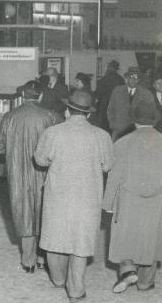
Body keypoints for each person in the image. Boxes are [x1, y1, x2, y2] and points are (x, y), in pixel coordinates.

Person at [34, 91, 113, 302]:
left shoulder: (52, 133)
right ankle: (76, 289)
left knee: (54, 237)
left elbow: (40, 160)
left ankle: (58, 279)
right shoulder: (102, 135)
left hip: (58, 195)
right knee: (81, 242)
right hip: (88, 197)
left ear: (68, 111)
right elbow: (108, 166)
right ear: (88, 115)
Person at [0, 80, 63, 273]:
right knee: (44, 211)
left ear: (23, 96)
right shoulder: (52, 117)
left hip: (18, 172)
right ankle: (42, 258)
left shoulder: (10, 117)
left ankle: (28, 260)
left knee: (23, 212)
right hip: (45, 173)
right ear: (40, 96)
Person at [102, 102, 162, 293]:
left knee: (125, 235)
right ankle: (145, 282)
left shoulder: (123, 142)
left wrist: (108, 203)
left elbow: (114, 176)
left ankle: (128, 270)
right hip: (157, 200)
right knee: (152, 238)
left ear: (134, 120)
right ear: (156, 119)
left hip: (128, 198)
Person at [107, 66, 160, 141]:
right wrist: (112, 125)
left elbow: (156, 114)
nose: (133, 80)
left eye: (136, 78)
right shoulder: (117, 91)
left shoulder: (146, 94)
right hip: (118, 132)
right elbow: (110, 110)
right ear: (127, 78)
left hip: (138, 134)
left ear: (139, 80)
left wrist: (147, 127)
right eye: (131, 77)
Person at [94, 60, 125, 132]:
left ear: (109, 68)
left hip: (104, 107)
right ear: (117, 69)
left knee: (103, 128)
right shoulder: (121, 79)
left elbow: (97, 94)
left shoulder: (104, 79)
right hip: (117, 107)